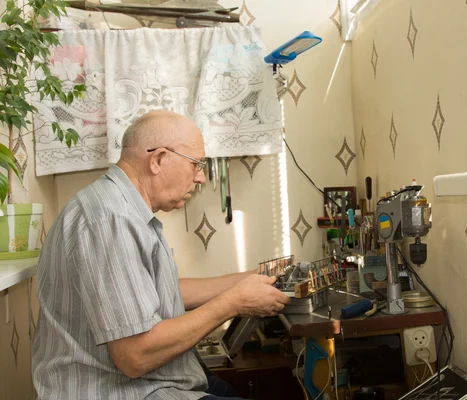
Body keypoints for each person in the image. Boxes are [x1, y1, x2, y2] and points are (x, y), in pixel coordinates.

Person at [32, 110, 290, 399]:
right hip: (124, 391)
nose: (201, 177)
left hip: (160, 380)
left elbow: (163, 291)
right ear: (158, 160)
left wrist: (254, 277)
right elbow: (135, 355)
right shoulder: (111, 220)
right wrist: (234, 303)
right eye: (196, 164)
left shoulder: (124, 209)